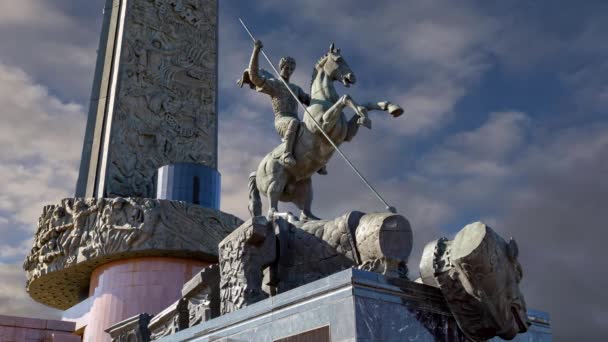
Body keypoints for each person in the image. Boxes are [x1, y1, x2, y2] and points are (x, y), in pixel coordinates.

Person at [239, 40, 327, 174]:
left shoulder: (295, 88)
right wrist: (256, 51)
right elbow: (254, 77)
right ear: (281, 67)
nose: (289, 71)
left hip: (297, 121)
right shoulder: (275, 84)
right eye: (287, 68)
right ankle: (287, 154)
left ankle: (317, 160)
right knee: (294, 122)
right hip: (282, 120)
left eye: (291, 69)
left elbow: (311, 102)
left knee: (313, 129)